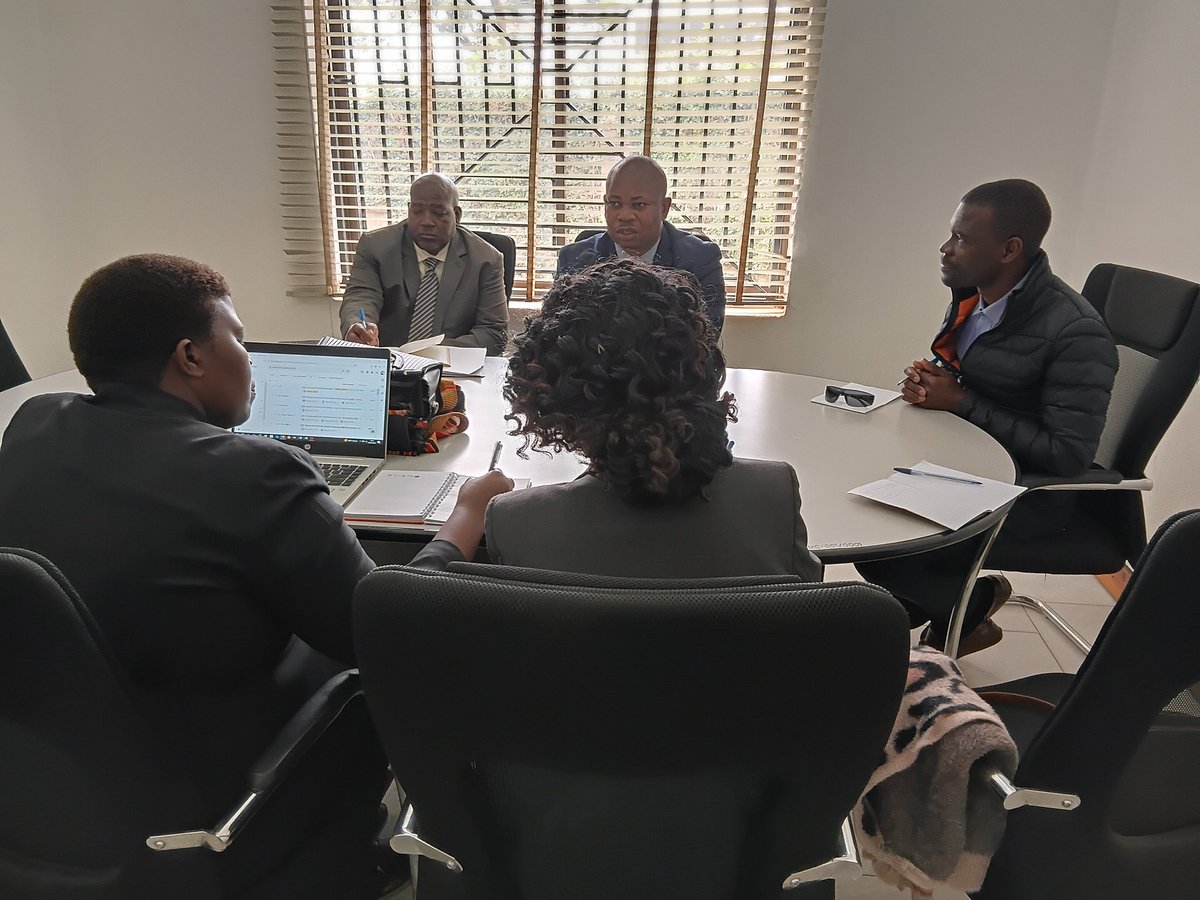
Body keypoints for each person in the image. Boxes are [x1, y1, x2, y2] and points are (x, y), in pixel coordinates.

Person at [0, 254, 512, 898]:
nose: (247, 357)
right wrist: (463, 520)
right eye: (237, 337)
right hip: (199, 788)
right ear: (190, 357)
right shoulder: (257, 473)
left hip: (47, 777)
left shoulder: (34, 423)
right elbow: (382, 632)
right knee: (368, 667)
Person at [857, 179, 1118, 655]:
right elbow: (984, 378)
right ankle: (935, 617)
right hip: (972, 465)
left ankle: (962, 609)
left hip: (1031, 494)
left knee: (884, 545)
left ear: (1009, 249)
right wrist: (932, 384)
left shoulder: (1075, 332)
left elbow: (1068, 454)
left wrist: (960, 402)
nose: (946, 248)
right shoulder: (977, 296)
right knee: (864, 501)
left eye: (961, 238)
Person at [488, 258, 821, 580]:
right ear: (699, 367)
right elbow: (810, 604)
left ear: (551, 396)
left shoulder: (516, 524)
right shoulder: (774, 495)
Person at [341, 173, 509, 354]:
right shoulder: (375, 247)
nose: (427, 222)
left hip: (452, 368)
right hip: (390, 363)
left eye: (438, 213)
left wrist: (431, 352)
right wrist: (357, 325)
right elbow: (360, 296)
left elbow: (493, 333)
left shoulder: (486, 260)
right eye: (417, 211)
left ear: (457, 215)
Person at [556, 156, 727, 331]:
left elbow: (706, 335)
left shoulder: (699, 259)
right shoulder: (574, 259)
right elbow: (560, 333)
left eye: (638, 205)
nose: (625, 215)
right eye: (615, 204)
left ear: (664, 208)